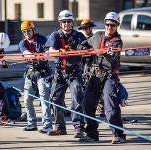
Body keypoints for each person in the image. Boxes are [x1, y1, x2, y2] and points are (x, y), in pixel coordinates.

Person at [80, 12, 126, 144]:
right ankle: (92, 134)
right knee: (87, 103)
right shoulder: (97, 35)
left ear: (117, 26)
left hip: (109, 75)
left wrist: (107, 51)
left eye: (113, 25)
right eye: (107, 24)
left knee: (110, 104)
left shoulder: (117, 41)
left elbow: (112, 57)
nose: (109, 27)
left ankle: (118, 134)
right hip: (95, 75)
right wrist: (81, 48)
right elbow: (85, 43)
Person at [45, 10, 86, 138]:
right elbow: (50, 51)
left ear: (72, 23)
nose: (67, 24)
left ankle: (79, 128)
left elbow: (86, 50)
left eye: (69, 21)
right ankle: (59, 127)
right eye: (64, 22)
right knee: (55, 99)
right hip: (60, 73)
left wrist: (80, 50)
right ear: (60, 23)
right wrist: (59, 51)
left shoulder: (79, 36)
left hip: (74, 72)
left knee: (77, 99)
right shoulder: (55, 35)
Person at [18, 20, 52, 133]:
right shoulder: (22, 43)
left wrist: (43, 55)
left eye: (28, 31)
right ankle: (31, 123)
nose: (26, 33)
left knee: (44, 99)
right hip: (30, 73)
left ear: (33, 30)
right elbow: (26, 53)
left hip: (42, 72)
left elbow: (48, 53)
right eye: (24, 32)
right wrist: (36, 56)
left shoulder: (42, 39)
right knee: (27, 99)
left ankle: (47, 124)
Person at [78, 19, 105, 117]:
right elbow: (78, 48)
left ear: (91, 28)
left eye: (87, 28)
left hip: (96, 65)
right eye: (83, 28)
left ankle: (101, 109)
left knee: (98, 88)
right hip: (84, 66)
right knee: (85, 89)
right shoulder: (81, 39)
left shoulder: (96, 37)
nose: (85, 30)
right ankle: (87, 109)